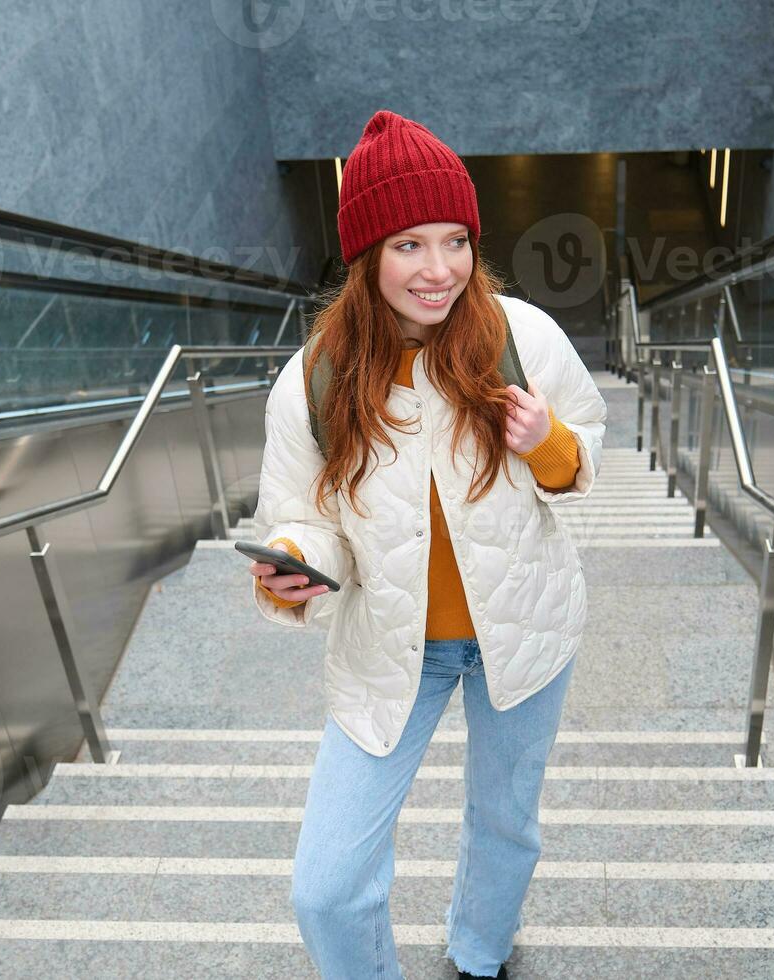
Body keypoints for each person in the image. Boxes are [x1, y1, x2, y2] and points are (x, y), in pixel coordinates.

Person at [246, 109, 608, 979]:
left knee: (506, 823)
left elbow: (588, 450)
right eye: (409, 244)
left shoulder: (520, 336)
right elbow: (300, 518)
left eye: (454, 240)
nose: (439, 269)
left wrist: (546, 442)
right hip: (388, 649)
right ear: (366, 253)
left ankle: (479, 955)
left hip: (524, 632)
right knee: (326, 889)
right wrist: (291, 568)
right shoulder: (315, 377)